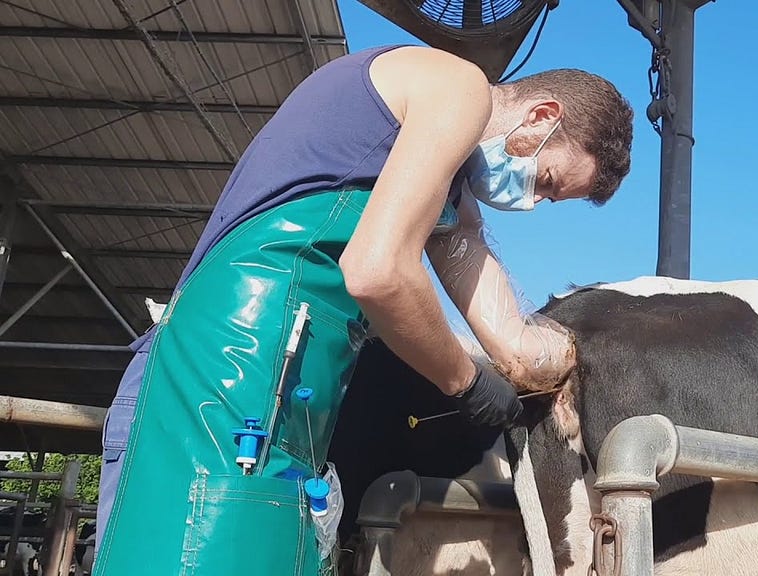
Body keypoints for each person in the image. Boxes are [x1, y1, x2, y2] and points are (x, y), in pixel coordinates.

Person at [91, 44, 633, 574]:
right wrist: (464, 382)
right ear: (541, 116)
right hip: (225, 371)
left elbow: (503, 320)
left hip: (284, 386)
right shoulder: (458, 87)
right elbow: (379, 272)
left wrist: (568, 358)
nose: (533, 201)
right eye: (547, 181)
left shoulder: (448, 185)